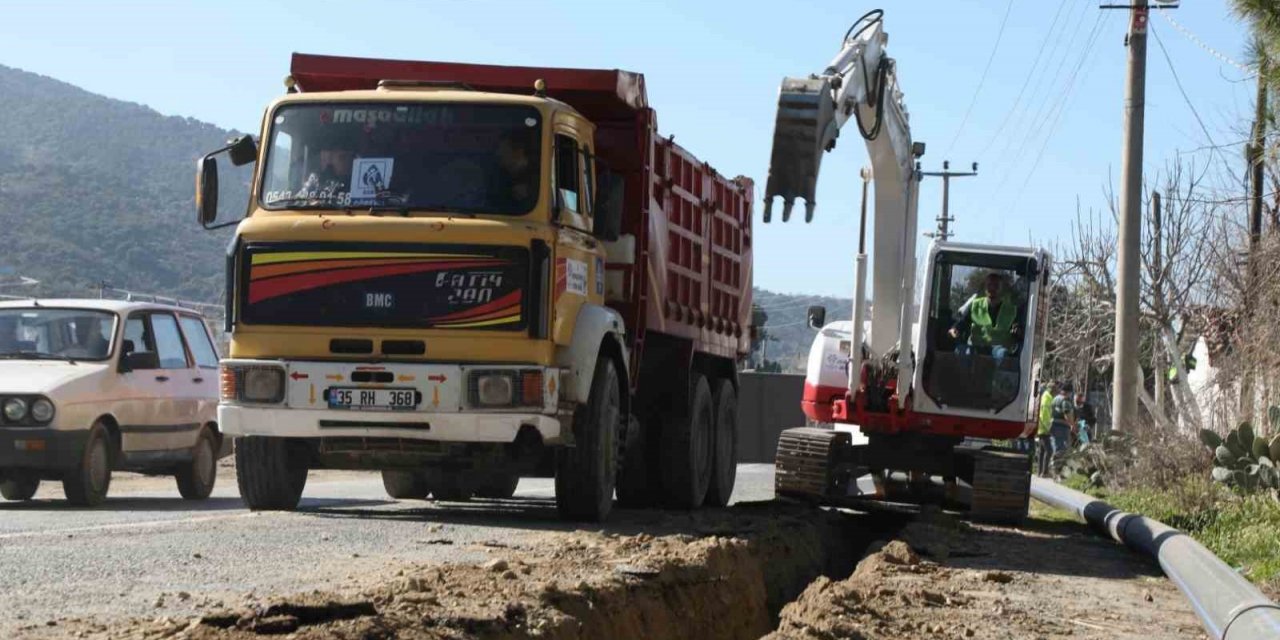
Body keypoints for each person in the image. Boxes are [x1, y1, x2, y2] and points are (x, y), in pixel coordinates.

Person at [949, 272, 1021, 361]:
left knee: (1003, 354)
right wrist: (955, 329)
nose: (992, 288)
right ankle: (964, 375)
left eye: (996, 285)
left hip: (998, 349)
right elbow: (963, 322)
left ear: (1002, 289)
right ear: (985, 288)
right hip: (976, 347)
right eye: (989, 285)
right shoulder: (975, 305)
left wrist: (1017, 330)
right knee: (962, 351)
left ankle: (999, 375)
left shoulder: (1011, 309)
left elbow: (1017, 327)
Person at [1048, 385, 1076, 474]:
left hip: (1053, 425)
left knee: (1055, 446)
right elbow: (1067, 414)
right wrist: (1072, 425)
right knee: (1062, 448)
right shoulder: (1065, 400)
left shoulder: (1055, 399)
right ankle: (1057, 470)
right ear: (1069, 392)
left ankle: (1051, 468)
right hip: (1062, 426)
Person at [1035, 381, 1056, 477]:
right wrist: (1047, 427)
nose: (1057, 391)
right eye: (1055, 389)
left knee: (1042, 450)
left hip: (1041, 427)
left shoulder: (1045, 396)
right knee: (1049, 450)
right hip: (1044, 428)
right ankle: (1044, 472)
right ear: (1052, 389)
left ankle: (1040, 471)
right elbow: (1044, 414)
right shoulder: (1048, 398)